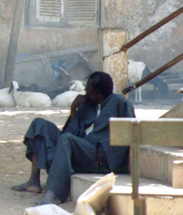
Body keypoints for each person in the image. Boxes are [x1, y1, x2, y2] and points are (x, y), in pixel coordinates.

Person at [11, 71, 135, 205]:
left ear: (97, 93)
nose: (85, 90)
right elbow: (68, 133)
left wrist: (104, 144)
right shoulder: (87, 107)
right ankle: (34, 182)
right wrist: (73, 110)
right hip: (77, 150)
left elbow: (130, 131)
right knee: (39, 125)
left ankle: (54, 194)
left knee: (67, 140)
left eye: (88, 88)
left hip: (99, 158)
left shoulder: (119, 102)